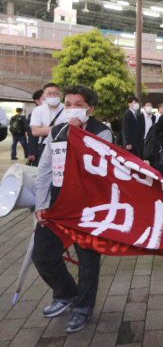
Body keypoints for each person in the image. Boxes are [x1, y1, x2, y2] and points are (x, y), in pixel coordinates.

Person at [33, 85, 112, 333]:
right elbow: (45, 168)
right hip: (57, 205)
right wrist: (41, 205)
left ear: (90, 108)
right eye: (67, 104)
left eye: (77, 104)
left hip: (88, 208)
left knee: (87, 260)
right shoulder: (57, 131)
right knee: (43, 255)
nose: (71, 108)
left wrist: (77, 136)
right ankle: (66, 293)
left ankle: (82, 308)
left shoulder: (103, 132)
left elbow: (98, 169)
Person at [30, 83, 65, 160]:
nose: (53, 96)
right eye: (49, 93)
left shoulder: (67, 109)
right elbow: (35, 132)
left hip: (63, 146)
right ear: (44, 95)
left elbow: (69, 129)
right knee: (44, 171)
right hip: (44, 146)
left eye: (56, 93)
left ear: (60, 95)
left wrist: (44, 129)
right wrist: (60, 127)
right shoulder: (38, 110)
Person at [26, 90, 44, 166]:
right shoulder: (33, 115)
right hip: (38, 150)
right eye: (45, 99)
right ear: (37, 101)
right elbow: (31, 135)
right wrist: (31, 152)